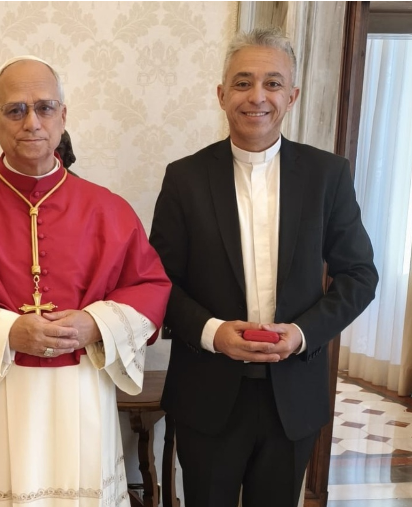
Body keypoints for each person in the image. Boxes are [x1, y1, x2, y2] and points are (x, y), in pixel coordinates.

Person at [0, 55, 172, 507]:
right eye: (15, 110)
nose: (32, 122)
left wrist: (94, 324)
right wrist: (8, 331)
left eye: (45, 108)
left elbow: (149, 288)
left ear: (63, 117)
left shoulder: (108, 209)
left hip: (80, 391)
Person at [149, 27, 378, 507]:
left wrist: (302, 333)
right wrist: (212, 331)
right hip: (206, 394)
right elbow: (157, 284)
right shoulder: (184, 178)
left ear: (292, 95)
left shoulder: (327, 175)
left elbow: (359, 276)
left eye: (273, 83)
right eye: (243, 82)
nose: (257, 97)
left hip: (293, 397)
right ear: (221, 94)